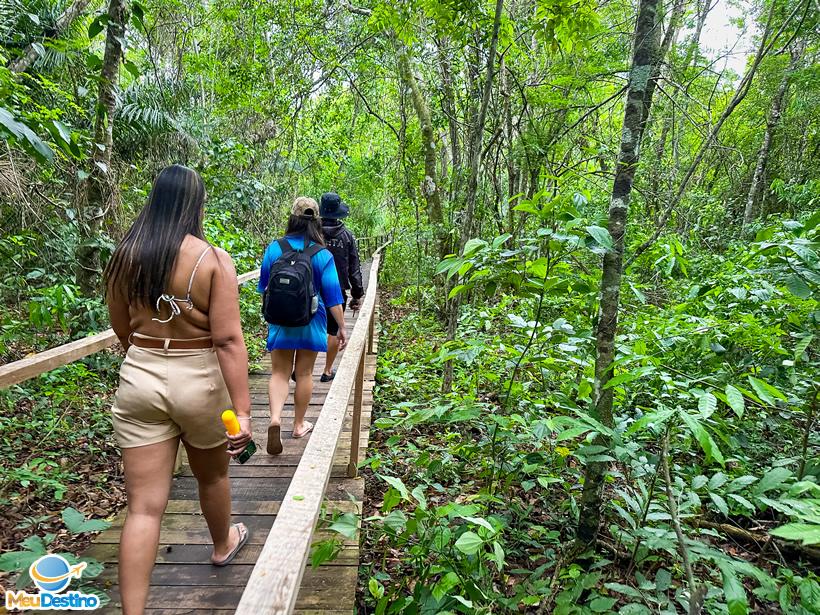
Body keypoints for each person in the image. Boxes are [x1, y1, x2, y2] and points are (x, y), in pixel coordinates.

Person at [105, 165, 253, 614]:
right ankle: (223, 544)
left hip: (141, 375)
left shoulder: (126, 255)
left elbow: (121, 327)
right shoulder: (212, 259)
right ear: (195, 204)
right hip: (199, 379)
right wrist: (244, 412)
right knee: (213, 475)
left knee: (143, 508)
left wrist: (149, 359)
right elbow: (228, 340)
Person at [258, 197, 347, 455]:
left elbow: (264, 287)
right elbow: (333, 296)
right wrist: (342, 327)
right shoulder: (323, 254)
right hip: (311, 320)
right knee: (305, 373)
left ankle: (275, 418)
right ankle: (298, 425)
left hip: (280, 321)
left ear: (292, 218)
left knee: (279, 373)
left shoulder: (275, 248)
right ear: (316, 221)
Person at [319, 192, 364, 382]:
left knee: (312, 326)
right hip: (337, 292)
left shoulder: (312, 233)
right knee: (334, 329)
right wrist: (357, 294)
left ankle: (302, 368)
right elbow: (354, 266)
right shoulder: (346, 236)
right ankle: (327, 370)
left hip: (311, 290)